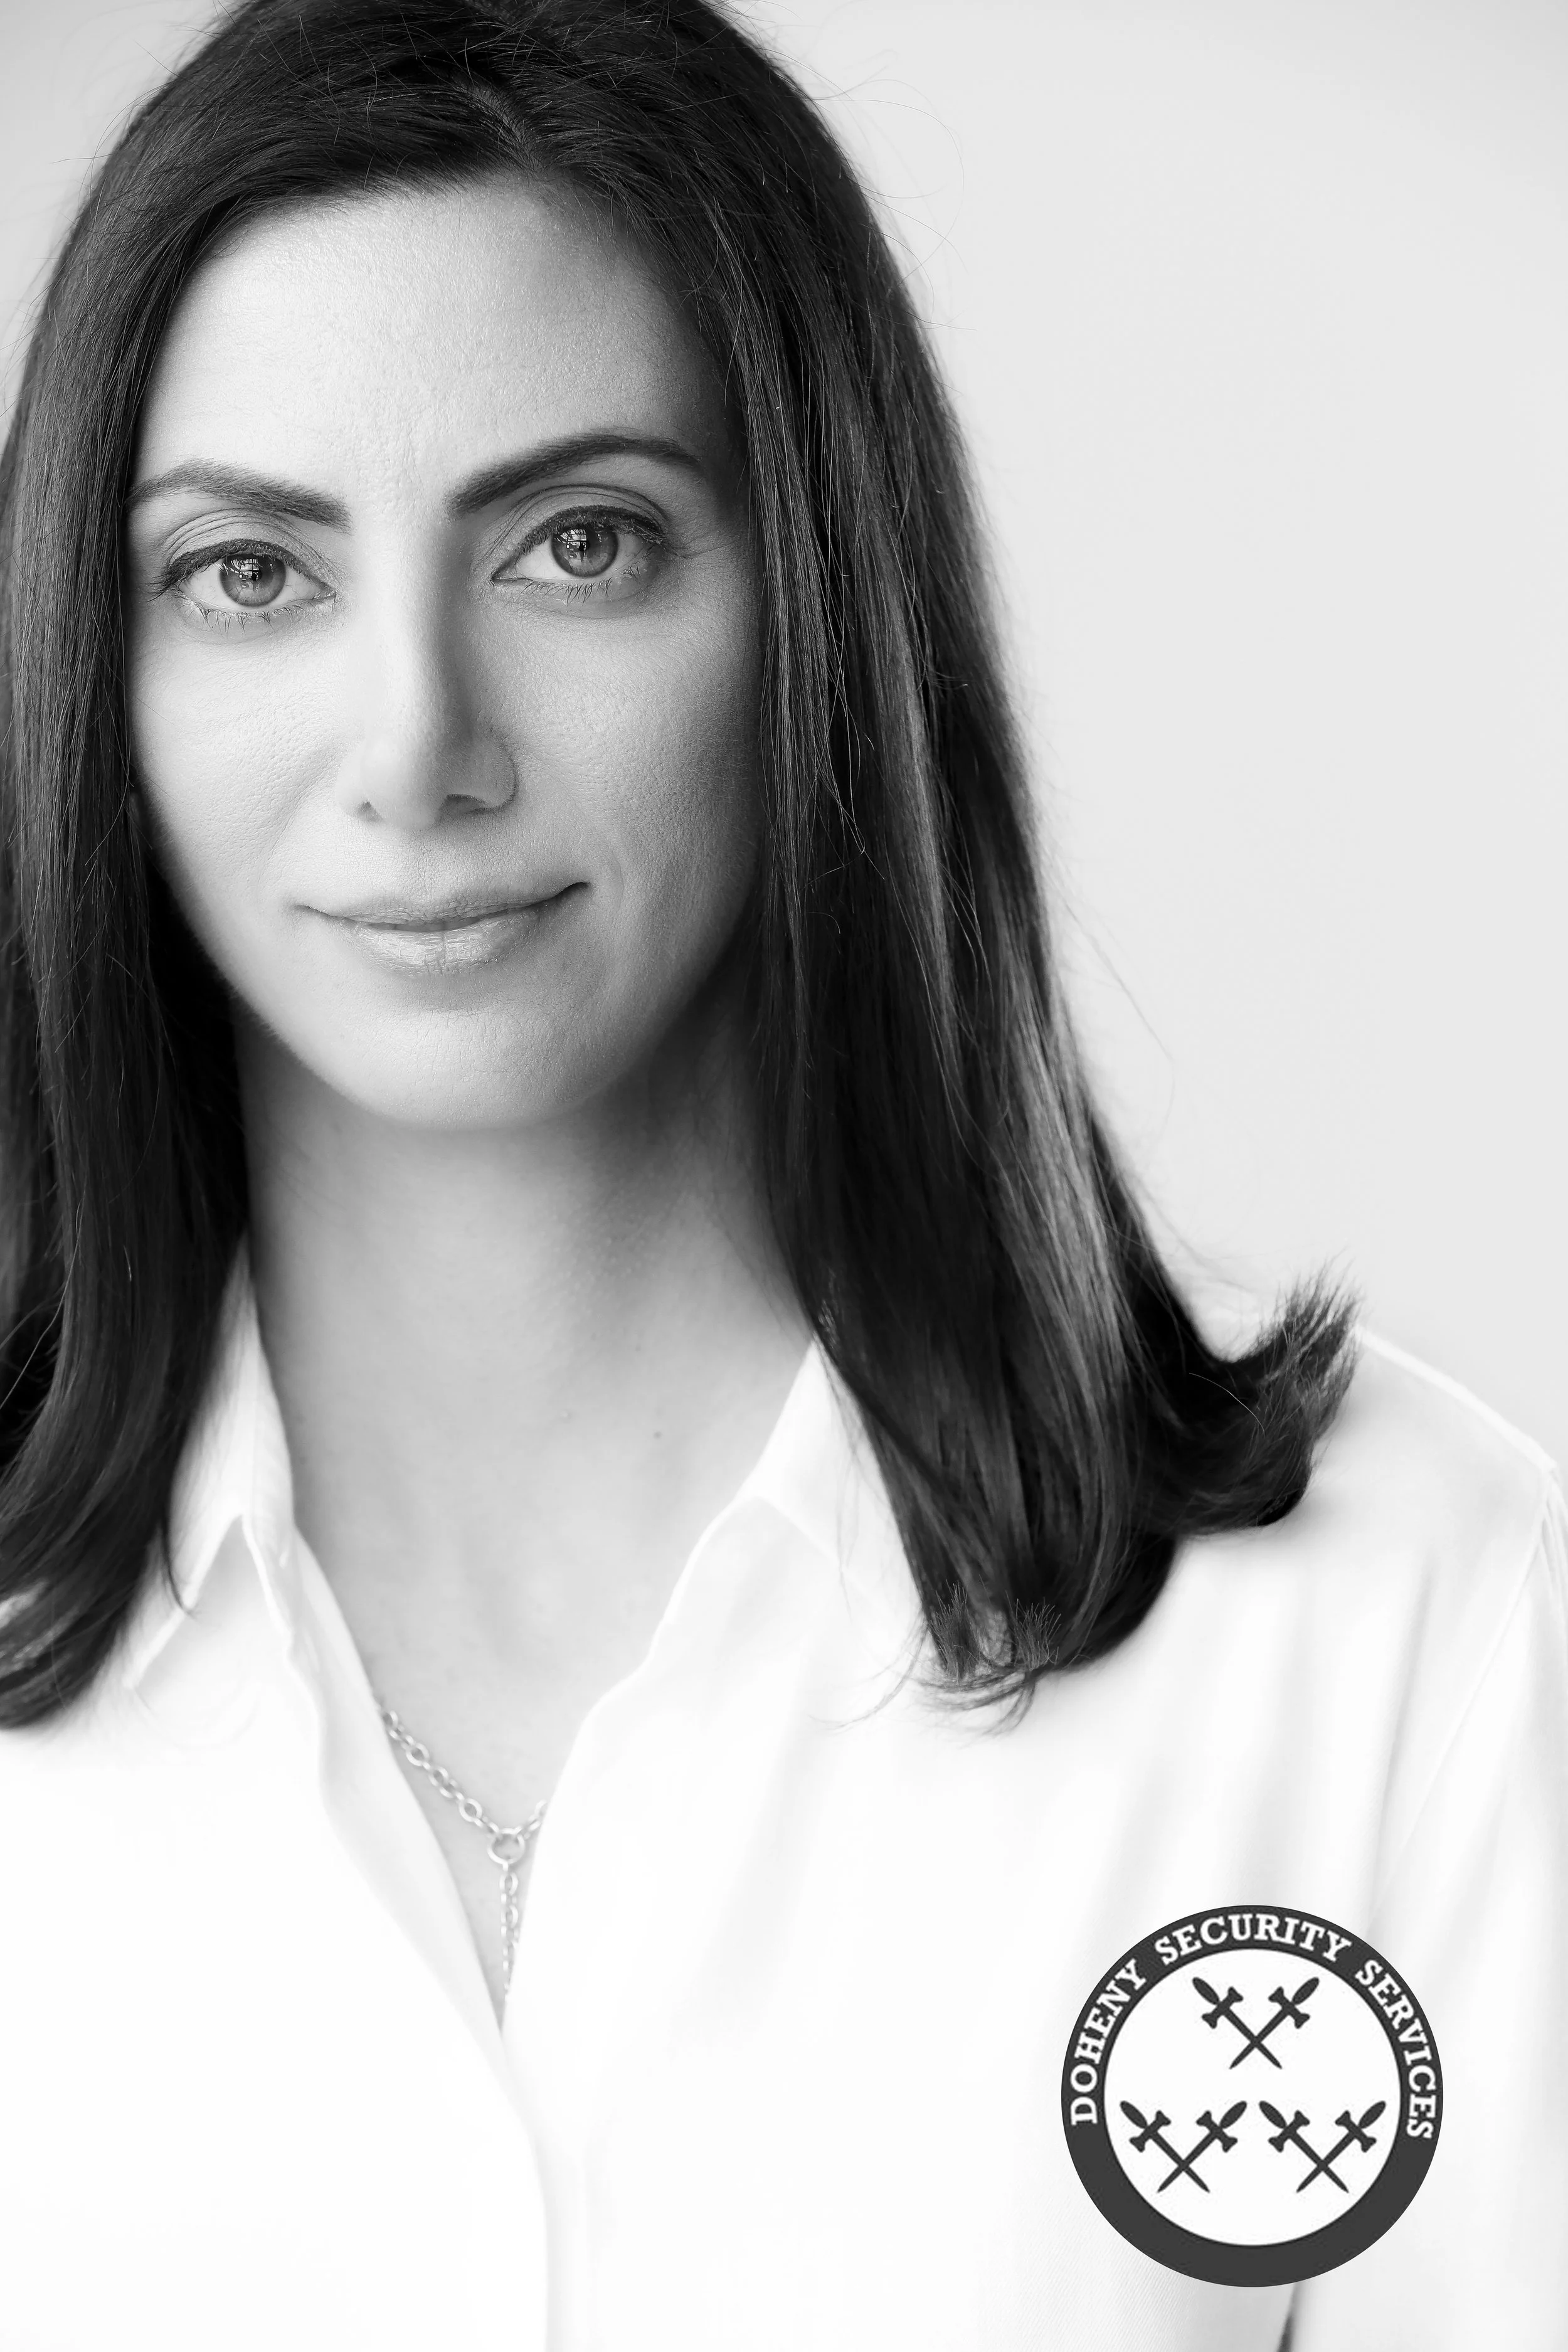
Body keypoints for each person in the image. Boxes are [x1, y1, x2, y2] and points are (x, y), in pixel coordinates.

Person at [0, 2, 1561, 2346]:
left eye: (580, 542)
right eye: (250, 574)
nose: (415, 746)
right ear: (84, 678)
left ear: (822, 619)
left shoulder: (1393, 1634)